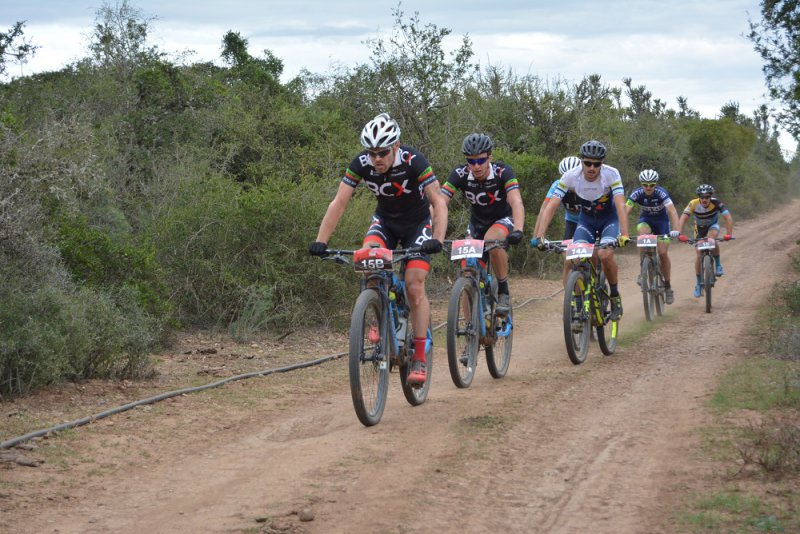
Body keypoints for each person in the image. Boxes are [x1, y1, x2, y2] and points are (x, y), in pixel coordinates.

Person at [308, 113, 448, 385]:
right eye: (371, 153)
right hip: (384, 222)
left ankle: (419, 356)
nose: (377, 159)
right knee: (367, 259)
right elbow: (339, 202)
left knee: (414, 285)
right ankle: (377, 309)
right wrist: (321, 240)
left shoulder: (414, 161)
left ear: (396, 146)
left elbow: (438, 201)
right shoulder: (361, 164)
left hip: (417, 225)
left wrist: (438, 239)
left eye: (382, 152)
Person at [531, 139, 630, 320]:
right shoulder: (570, 176)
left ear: (602, 163)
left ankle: (614, 295)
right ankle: (579, 302)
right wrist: (540, 236)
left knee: (605, 256)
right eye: (588, 163)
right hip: (586, 222)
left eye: (596, 164)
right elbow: (551, 206)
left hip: (609, 220)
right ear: (581, 161)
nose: (592, 168)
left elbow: (620, 205)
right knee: (575, 258)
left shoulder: (611, 174)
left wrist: (624, 234)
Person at [441, 133, 526, 314]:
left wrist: (518, 229)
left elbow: (516, 200)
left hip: (503, 219)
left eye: (481, 160)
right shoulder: (459, 174)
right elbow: (440, 203)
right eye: (471, 161)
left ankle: (503, 290)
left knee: (491, 240)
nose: (476, 166)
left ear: (490, 157)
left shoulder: (503, 172)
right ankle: (471, 328)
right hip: (476, 224)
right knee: (467, 272)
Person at [623, 169, 682, 304]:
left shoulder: (661, 193)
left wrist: (676, 230)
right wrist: (621, 230)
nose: (648, 188)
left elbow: (672, 211)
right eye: (645, 185)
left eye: (651, 185)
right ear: (641, 184)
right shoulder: (637, 193)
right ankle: (642, 270)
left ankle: (667, 287)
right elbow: (625, 210)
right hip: (646, 221)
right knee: (643, 235)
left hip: (662, 223)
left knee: (662, 253)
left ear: (655, 184)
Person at [676, 183, 733, 298]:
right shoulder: (693, 203)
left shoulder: (717, 202)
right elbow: (683, 218)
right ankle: (698, 283)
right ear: (699, 197)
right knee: (698, 254)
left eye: (707, 197)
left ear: (710, 197)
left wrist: (729, 234)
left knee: (711, 239)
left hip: (713, 226)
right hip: (699, 229)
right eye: (702, 197)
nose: (704, 199)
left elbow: (728, 217)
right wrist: (680, 234)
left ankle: (718, 265)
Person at [533, 156, 582, 287]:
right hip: (571, 222)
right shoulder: (558, 185)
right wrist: (537, 236)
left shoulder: (589, 185)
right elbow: (545, 209)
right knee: (568, 261)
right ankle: (572, 301)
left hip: (589, 222)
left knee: (595, 255)